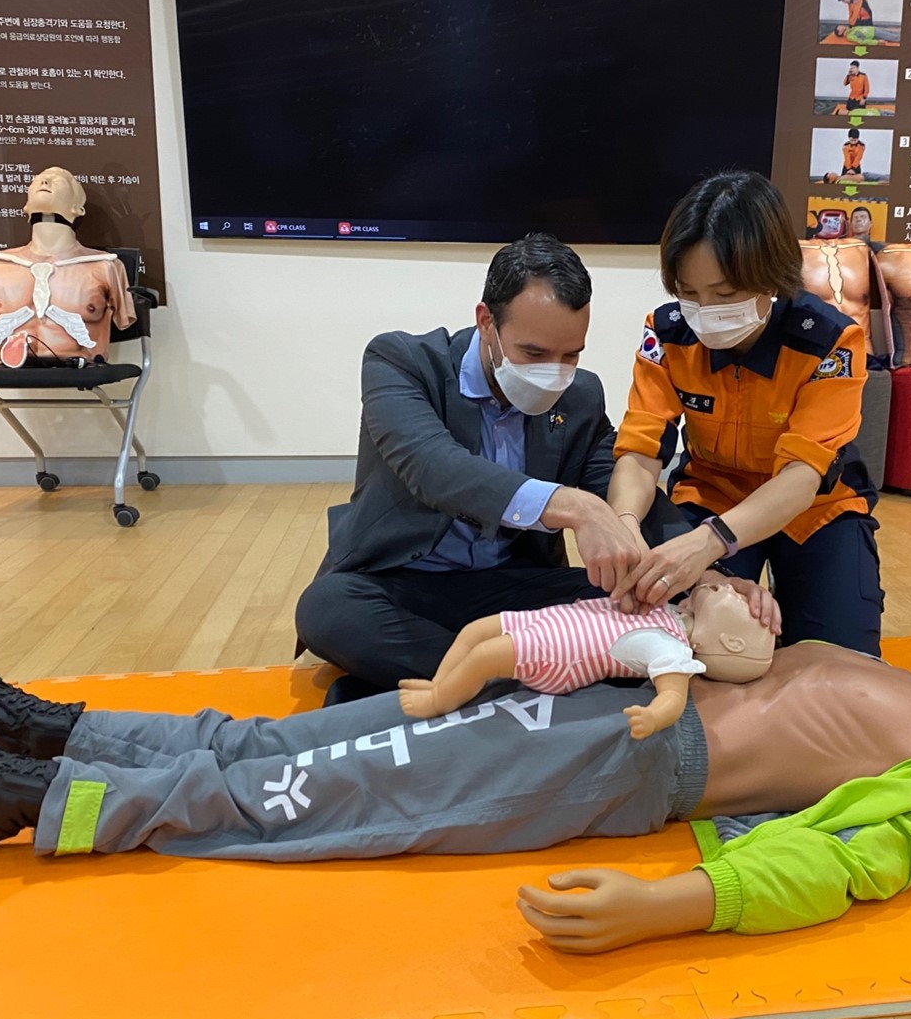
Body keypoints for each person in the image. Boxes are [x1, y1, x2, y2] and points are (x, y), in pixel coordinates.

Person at [0, 620, 911, 952]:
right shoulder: (883, 664)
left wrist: (678, 899)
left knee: (337, 785)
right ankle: (60, 733)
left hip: (623, 761)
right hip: (602, 693)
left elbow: (836, 862)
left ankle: (25, 804)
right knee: (325, 731)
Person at [293, 233, 767, 705]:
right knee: (328, 611)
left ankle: (447, 683)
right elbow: (434, 467)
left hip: (511, 587)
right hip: (399, 581)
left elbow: (619, 485)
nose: (555, 372)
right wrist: (573, 507)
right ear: (486, 322)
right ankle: (533, 679)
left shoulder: (580, 396)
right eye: (534, 354)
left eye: (571, 355)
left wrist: (705, 573)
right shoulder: (402, 362)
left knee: (645, 602)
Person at [606, 171, 884, 654]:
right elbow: (642, 445)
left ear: (770, 277)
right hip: (712, 495)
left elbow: (802, 476)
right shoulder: (666, 332)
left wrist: (709, 543)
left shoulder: (829, 341)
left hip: (818, 511)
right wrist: (625, 522)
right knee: (687, 641)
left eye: (726, 294)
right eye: (688, 293)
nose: (704, 309)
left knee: (838, 659)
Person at [398, 582, 778, 738]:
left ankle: (438, 701)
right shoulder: (674, 610)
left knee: (485, 656)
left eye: (741, 604)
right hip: (555, 621)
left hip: (561, 655)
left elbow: (673, 697)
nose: (736, 589)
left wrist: (653, 716)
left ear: (729, 641)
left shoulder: (673, 648)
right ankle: (440, 683)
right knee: (475, 631)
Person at [0, 167, 136, 366]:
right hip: (7, 365)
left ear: (78, 208)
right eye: (38, 180)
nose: (45, 182)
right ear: (26, 206)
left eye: (59, 181)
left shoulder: (104, 266)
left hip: (81, 365)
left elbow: (124, 321)